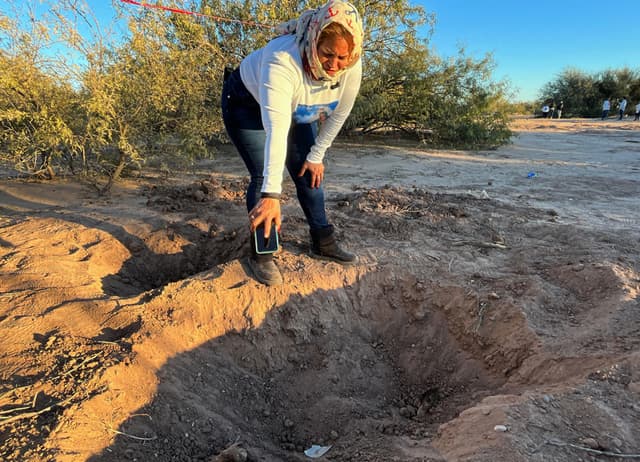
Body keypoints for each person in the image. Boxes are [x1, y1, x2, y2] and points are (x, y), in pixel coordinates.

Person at [221, 0, 364, 286]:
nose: (334, 65)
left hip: (301, 108)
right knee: (263, 176)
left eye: (341, 58)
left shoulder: (352, 65)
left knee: (308, 171)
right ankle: (262, 254)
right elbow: (277, 129)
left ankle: (323, 241)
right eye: (327, 54)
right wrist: (272, 196)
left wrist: (317, 154)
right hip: (247, 103)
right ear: (314, 40)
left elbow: (340, 113)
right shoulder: (281, 59)